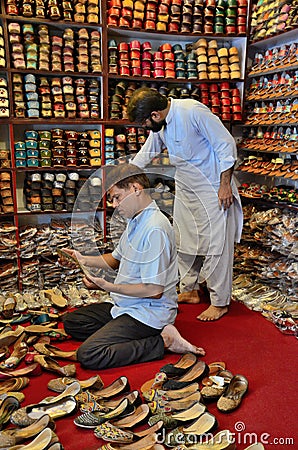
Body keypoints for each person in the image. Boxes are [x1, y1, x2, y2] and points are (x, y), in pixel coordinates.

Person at [61, 164, 205, 370]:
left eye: (117, 197)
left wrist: (107, 286)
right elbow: (116, 258)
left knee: (89, 354)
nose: (113, 204)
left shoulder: (155, 228)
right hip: (126, 305)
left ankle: (163, 341)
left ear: (136, 189)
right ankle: (124, 335)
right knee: (73, 322)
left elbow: (154, 291)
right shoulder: (136, 220)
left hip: (148, 312)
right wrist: (83, 259)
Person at [127, 87, 243, 321]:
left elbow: (226, 145)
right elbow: (148, 151)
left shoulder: (193, 111)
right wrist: (124, 173)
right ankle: (190, 289)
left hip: (213, 187)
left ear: (155, 115)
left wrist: (225, 185)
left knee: (216, 246)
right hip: (187, 187)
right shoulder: (161, 123)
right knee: (184, 240)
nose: (144, 128)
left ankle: (220, 301)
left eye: (144, 123)